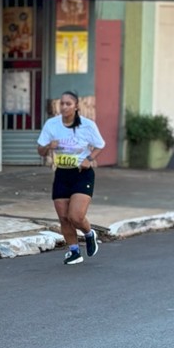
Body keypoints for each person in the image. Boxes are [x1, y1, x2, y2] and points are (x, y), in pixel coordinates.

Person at [37, 92, 105, 265]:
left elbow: (99, 145)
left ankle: (90, 234)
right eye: (62, 104)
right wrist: (48, 147)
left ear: (76, 106)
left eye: (68, 104)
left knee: (75, 216)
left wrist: (89, 160)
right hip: (62, 173)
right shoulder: (52, 124)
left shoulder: (87, 125)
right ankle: (74, 251)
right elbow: (40, 150)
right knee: (64, 218)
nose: (64, 107)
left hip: (82, 174)